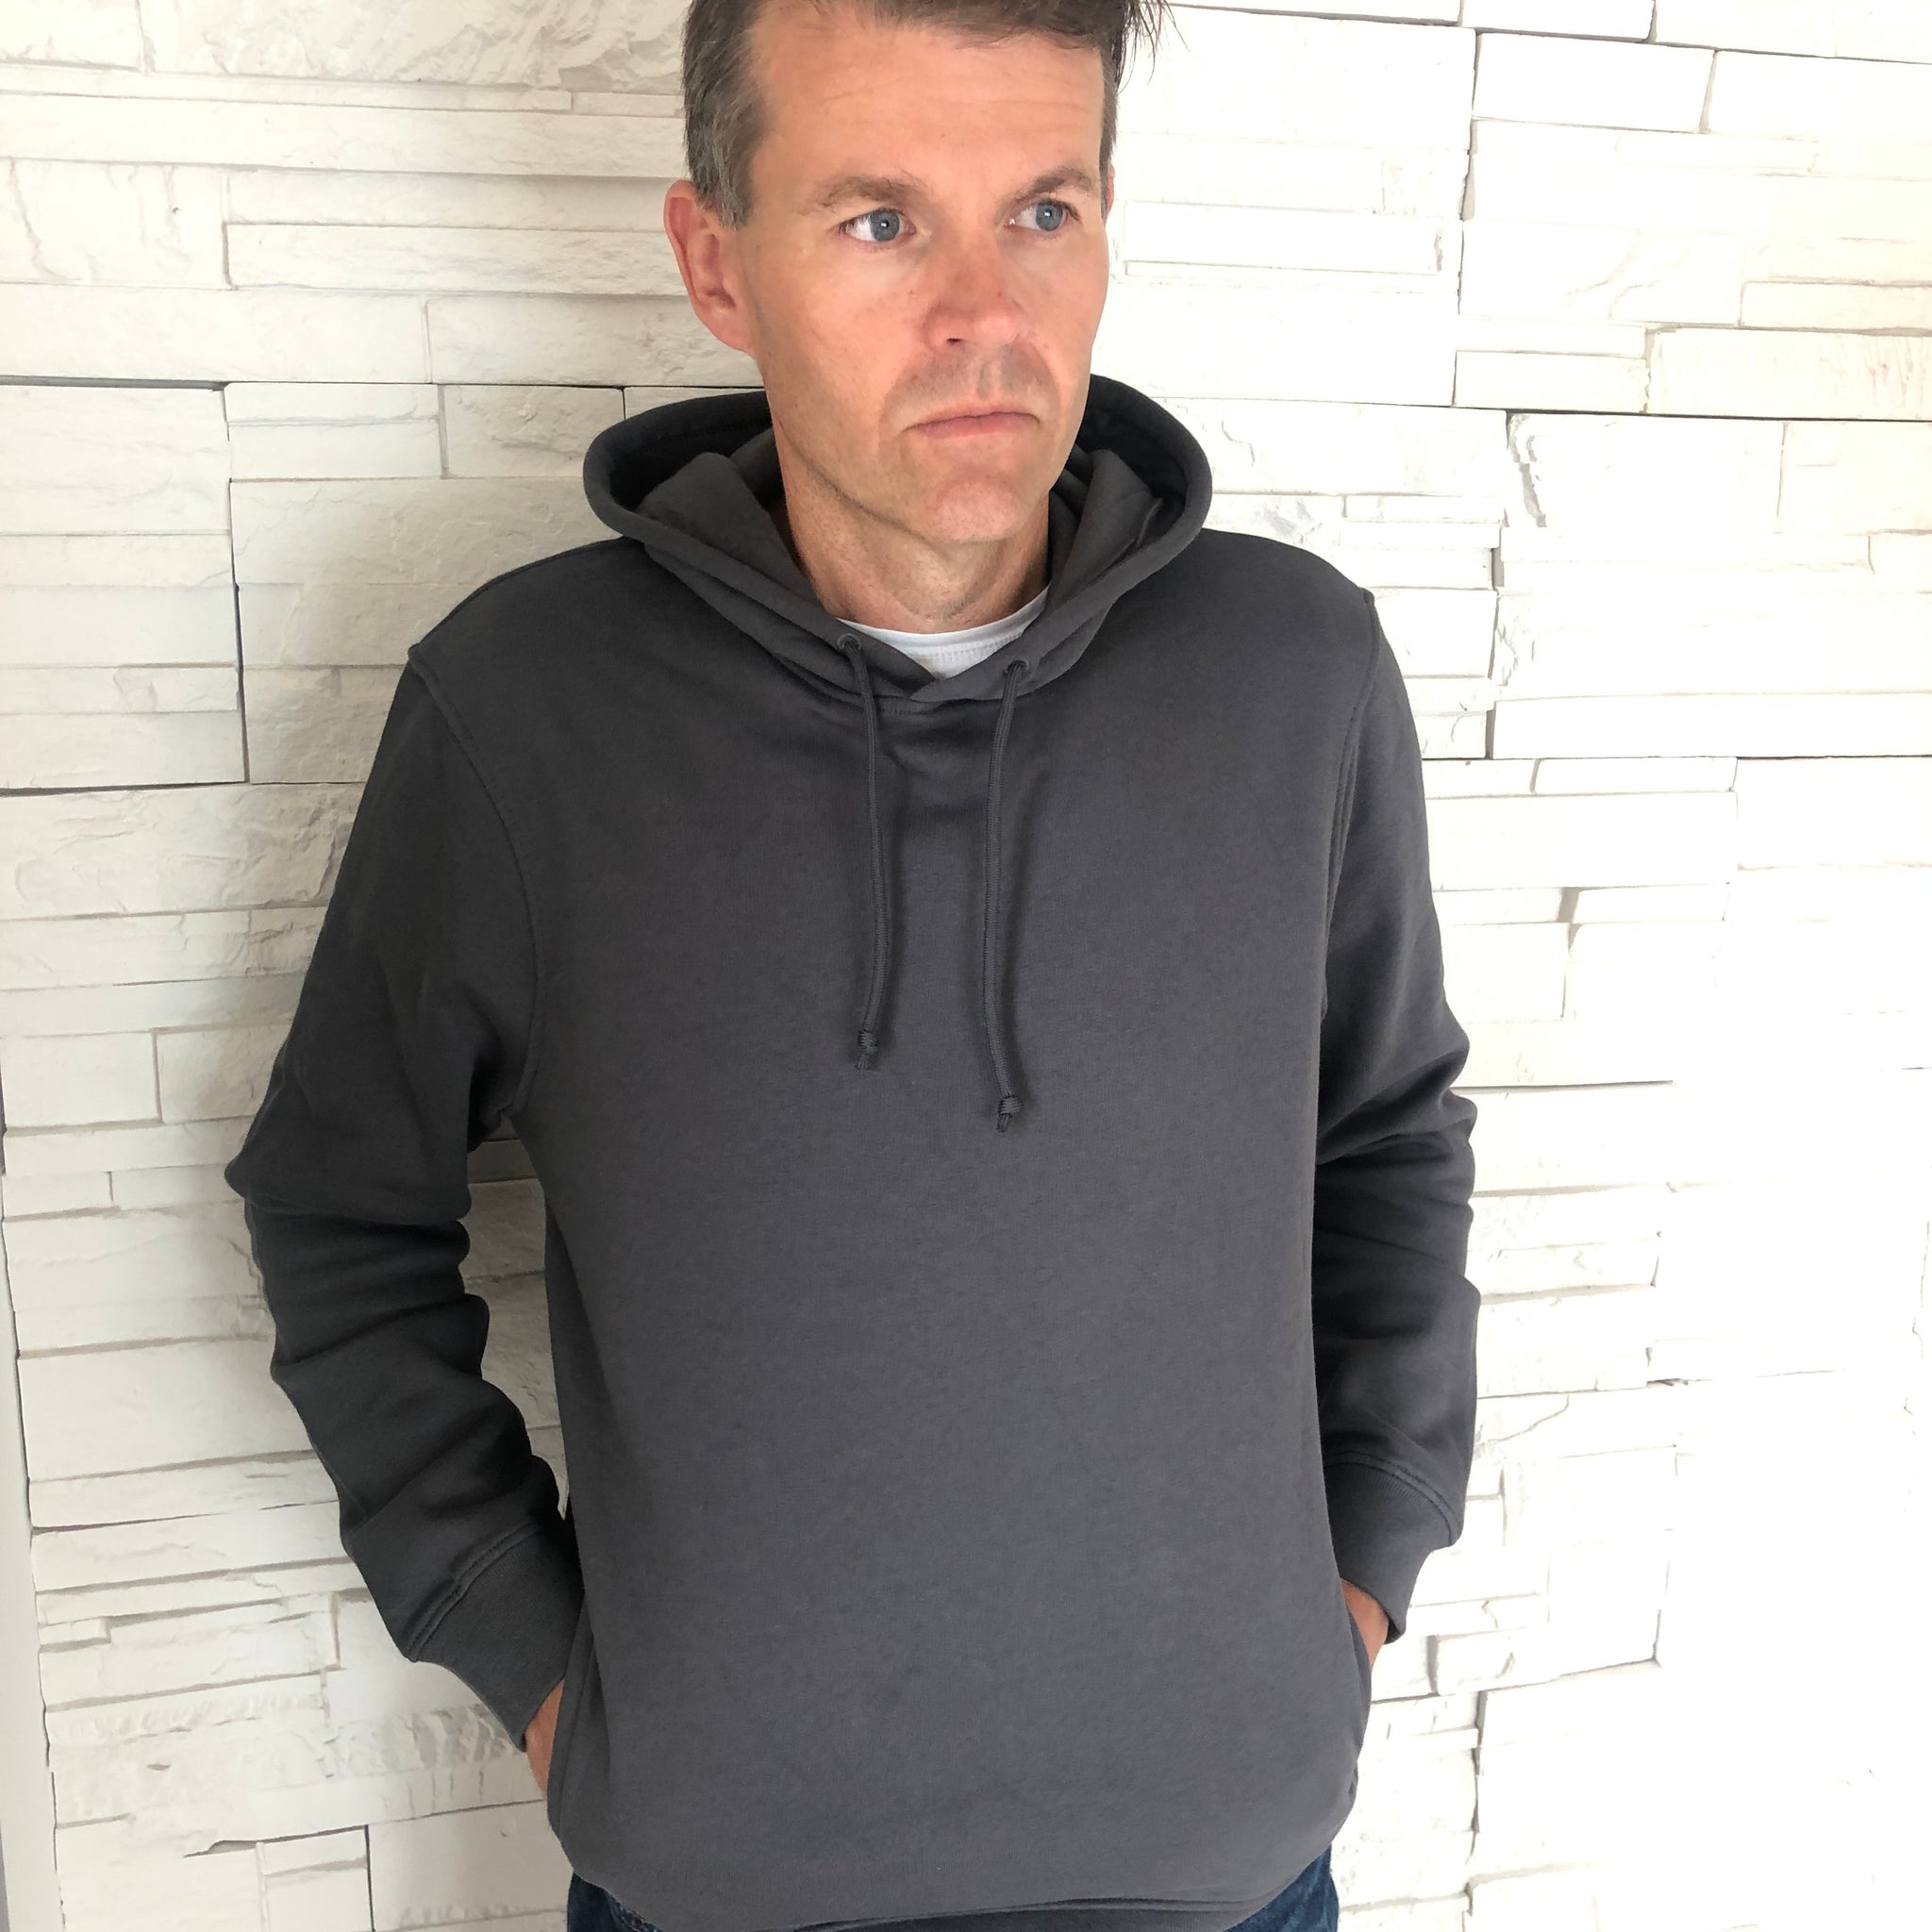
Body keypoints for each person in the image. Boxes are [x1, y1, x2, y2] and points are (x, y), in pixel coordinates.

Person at [223, 0, 1480, 1929]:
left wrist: (1365, 1566)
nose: (985, 314)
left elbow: (1385, 1133)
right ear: (716, 261)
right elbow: (339, 1201)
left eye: (1042, 210)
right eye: (881, 221)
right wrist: (525, 1651)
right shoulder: (525, 714)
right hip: (719, 1887)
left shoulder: (1292, 674)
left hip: (1232, 1876)